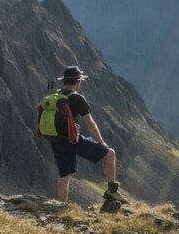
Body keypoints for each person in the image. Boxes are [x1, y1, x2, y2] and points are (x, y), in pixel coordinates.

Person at [48, 65, 128, 204]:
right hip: (72, 140)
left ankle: (61, 207)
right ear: (78, 82)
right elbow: (90, 124)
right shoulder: (77, 98)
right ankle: (112, 191)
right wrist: (101, 142)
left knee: (64, 176)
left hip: (56, 140)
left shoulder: (56, 94)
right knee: (110, 154)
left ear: (64, 81)